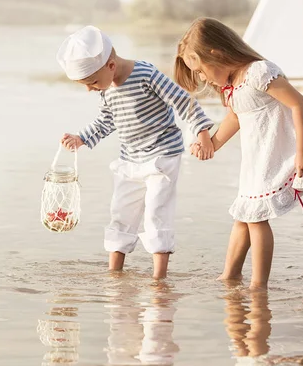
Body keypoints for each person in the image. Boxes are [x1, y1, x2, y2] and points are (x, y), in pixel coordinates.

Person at [175, 17, 303, 289]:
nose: (202, 77)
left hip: (276, 154)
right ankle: (230, 275)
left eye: (200, 70)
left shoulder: (259, 72)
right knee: (243, 216)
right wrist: (211, 142)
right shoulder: (231, 86)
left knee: (256, 219)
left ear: (217, 54)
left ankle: (259, 285)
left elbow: (299, 104)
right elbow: (235, 118)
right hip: (254, 161)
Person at [56, 25, 214, 279]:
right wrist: (81, 138)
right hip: (130, 159)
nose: (90, 89)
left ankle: (159, 279)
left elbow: (183, 101)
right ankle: (114, 273)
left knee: (156, 213)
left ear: (110, 65)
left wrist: (202, 134)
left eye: (92, 82)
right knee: (120, 211)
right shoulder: (106, 89)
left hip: (162, 156)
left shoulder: (146, 74)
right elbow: (107, 120)